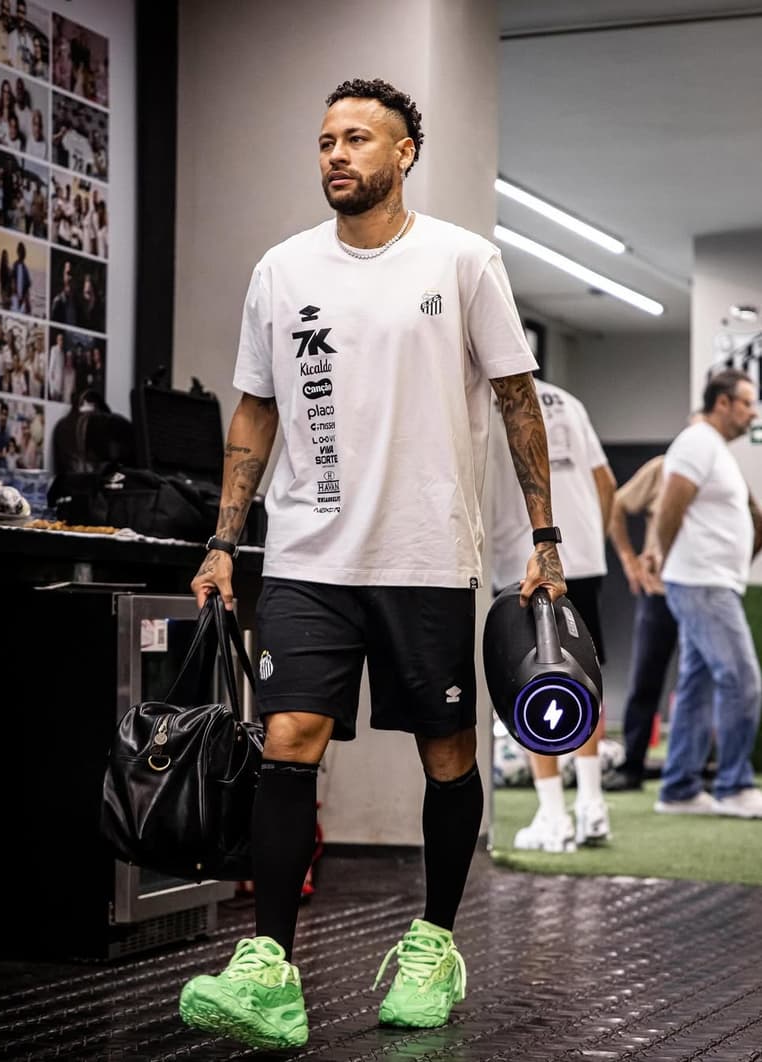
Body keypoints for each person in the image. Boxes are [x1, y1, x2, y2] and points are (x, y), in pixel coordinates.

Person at [178, 77, 566, 1051]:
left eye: (357, 138)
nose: (335, 155)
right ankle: (270, 970)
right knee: (288, 739)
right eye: (323, 141)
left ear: (404, 154)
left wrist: (544, 538)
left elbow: (518, 401)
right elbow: (255, 409)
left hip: (426, 555)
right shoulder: (281, 269)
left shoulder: (463, 261)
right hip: (309, 552)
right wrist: (226, 540)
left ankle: (434, 943)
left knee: (445, 754)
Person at [489, 377, 616, 851]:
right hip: (580, 555)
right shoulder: (570, 400)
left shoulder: (486, 399)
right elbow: (607, 484)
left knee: (531, 681)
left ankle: (553, 814)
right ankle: (591, 806)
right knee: (586, 678)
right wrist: (591, 543)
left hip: (527, 558)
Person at [654, 368, 762, 818]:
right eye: (746, 404)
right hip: (700, 582)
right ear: (722, 403)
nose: (753, 413)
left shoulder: (715, 449)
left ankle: (679, 789)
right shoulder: (698, 441)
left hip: (715, 582)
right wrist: (664, 560)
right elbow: (669, 508)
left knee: (697, 685)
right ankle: (734, 785)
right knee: (742, 680)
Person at [605, 453, 678, 790]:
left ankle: (693, 767)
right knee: (645, 678)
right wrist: (630, 561)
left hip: (704, 592)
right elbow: (616, 505)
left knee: (703, 683)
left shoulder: (723, 466)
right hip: (658, 591)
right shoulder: (663, 467)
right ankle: (631, 765)